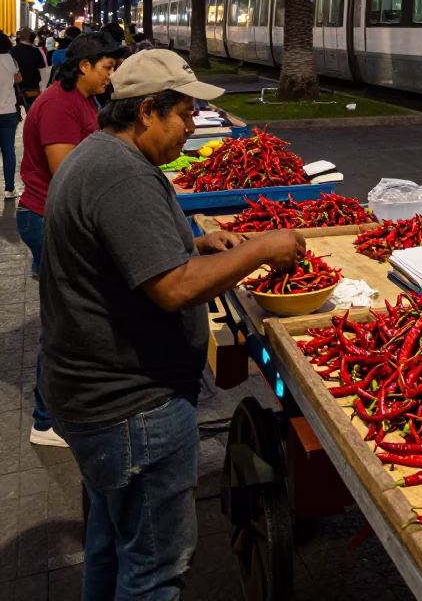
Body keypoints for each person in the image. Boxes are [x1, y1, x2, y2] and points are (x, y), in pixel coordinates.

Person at [40, 49, 304, 599]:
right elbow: (174, 289)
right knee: (155, 570)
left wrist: (198, 243)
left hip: (91, 398)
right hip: (132, 407)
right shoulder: (121, 178)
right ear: (145, 114)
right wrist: (259, 248)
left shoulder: (99, 156)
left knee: (110, 542)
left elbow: (129, 254)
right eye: (183, 115)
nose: (192, 127)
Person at [18, 30, 121, 445]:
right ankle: (46, 422)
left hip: (55, 216)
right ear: (84, 66)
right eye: (107, 68)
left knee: (71, 318)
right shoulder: (59, 105)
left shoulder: (81, 99)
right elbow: (67, 174)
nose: (110, 76)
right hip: (46, 218)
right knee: (63, 323)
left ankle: (68, 406)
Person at [0, 31, 23, 198]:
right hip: (8, 111)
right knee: (8, 150)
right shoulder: (11, 60)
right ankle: (9, 188)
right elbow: (18, 79)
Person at [11, 28, 46, 112]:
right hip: (33, 89)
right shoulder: (36, 51)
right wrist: (43, 89)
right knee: (32, 113)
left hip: (16, 90)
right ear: (32, 38)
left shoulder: (12, 51)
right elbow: (43, 71)